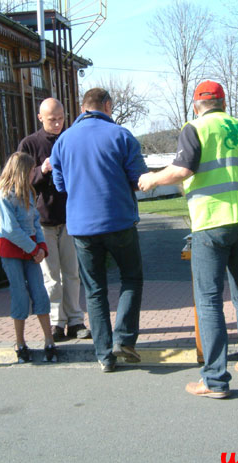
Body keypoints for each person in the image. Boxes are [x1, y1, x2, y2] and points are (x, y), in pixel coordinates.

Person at [138, 80, 238, 398]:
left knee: (209, 301)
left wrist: (152, 178)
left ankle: (215, 380)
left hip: (212, 221)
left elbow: (182, 169)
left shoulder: (195, 128)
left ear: (196, 105)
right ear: (223, 103)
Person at [51, 88, 148, 372]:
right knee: (131, 277)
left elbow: (61, 186)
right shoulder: (121, 135)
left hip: (81, 226)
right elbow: (138, 178)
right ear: (106, 106)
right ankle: (125, 339)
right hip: (119, 220)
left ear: (82, 109)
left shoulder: (64, 140)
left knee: (94, 290)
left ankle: (104, 355)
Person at [18, 98, 90, 342]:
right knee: (51, 276)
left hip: (71, 217)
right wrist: (42, 170)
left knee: (72, 272)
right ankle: (57, 323)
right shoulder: (29, 144)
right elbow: (21, 182)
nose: (58, 123)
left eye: (61, 118)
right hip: (42, 220)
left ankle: (76, 321)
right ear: (40, 118)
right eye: (52, 119)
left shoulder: (71, 139)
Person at [0, 152, 58, 363]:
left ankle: (49, 340)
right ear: (21, 171)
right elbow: (10, 229)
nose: (33, 174)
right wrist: (32, 249)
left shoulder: (27, 193)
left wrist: (41, 247)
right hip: (12, 252)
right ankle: (20, 342)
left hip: (31, 251)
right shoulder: (3, 195)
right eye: (30, 171)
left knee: (39, 292)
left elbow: (35, 221)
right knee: (19, 294)